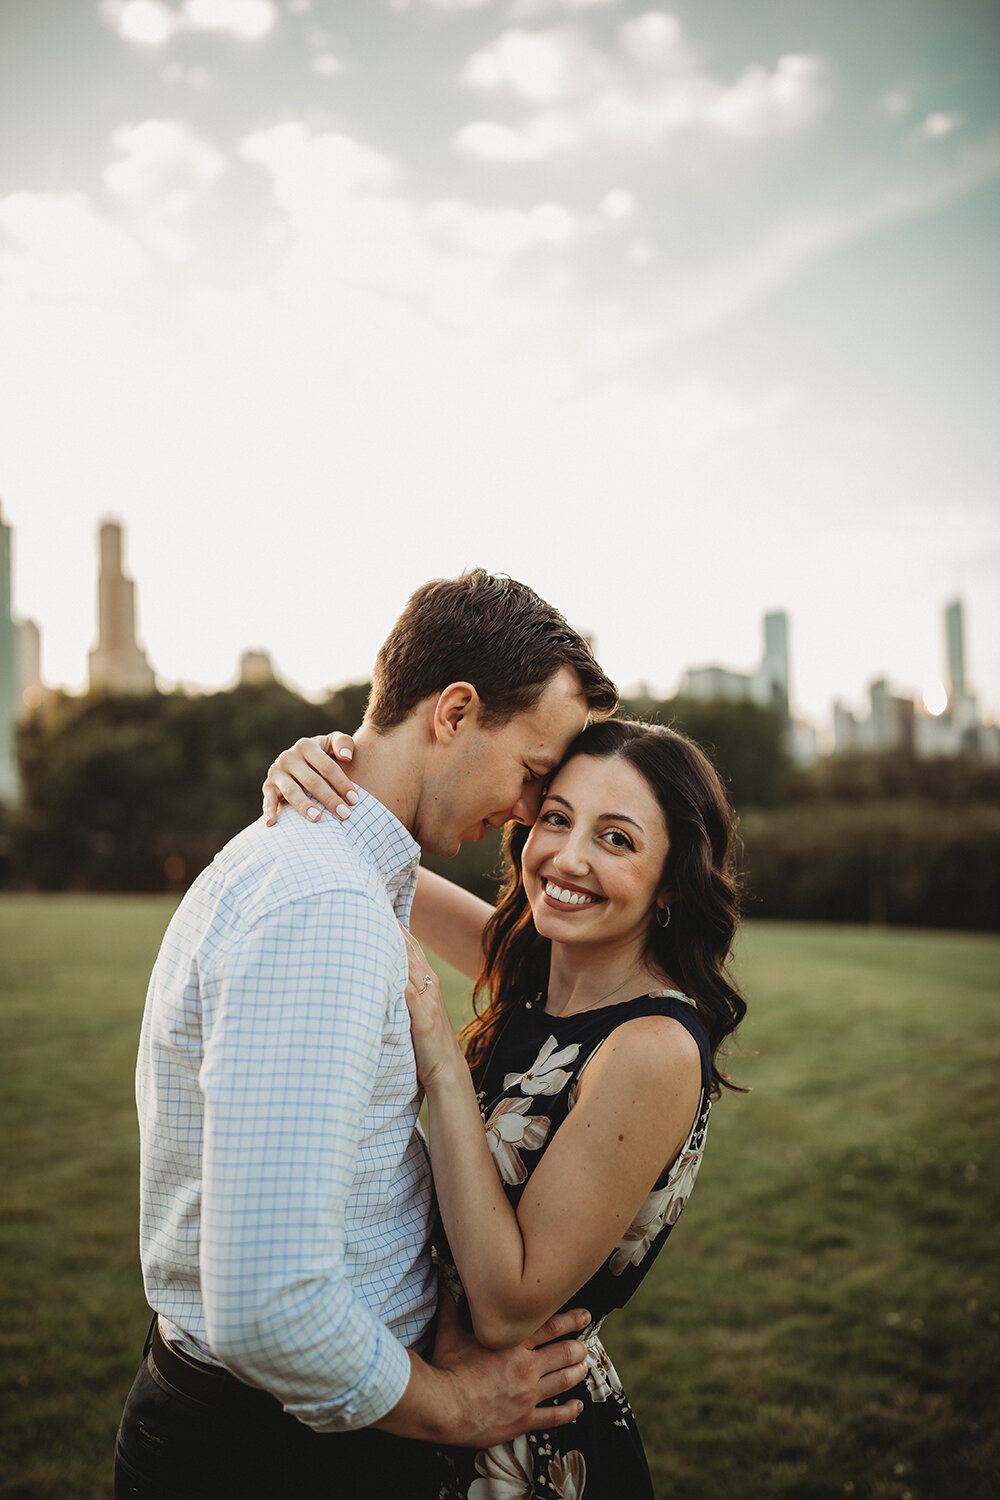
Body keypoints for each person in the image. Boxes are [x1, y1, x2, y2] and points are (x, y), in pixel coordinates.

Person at [114, 570, 619, 1500]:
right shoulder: (325, 908)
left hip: (288, 1433)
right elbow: (271, 1308)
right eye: (533, 772)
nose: (525, 809)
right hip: (277, 1457)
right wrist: (457, 1407)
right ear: (455, 712)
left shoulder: (340, 870)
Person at [264, 715, 747, 1497]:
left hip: (534, 1448)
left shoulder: (652, 1045)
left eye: (616, 840)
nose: (569, 857)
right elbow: (370, 841)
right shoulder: (535, 968)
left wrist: (442, 1061)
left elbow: (505, 1306)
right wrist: (313, 769)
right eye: (556, 818)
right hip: (442, 1412)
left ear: (670, 883)